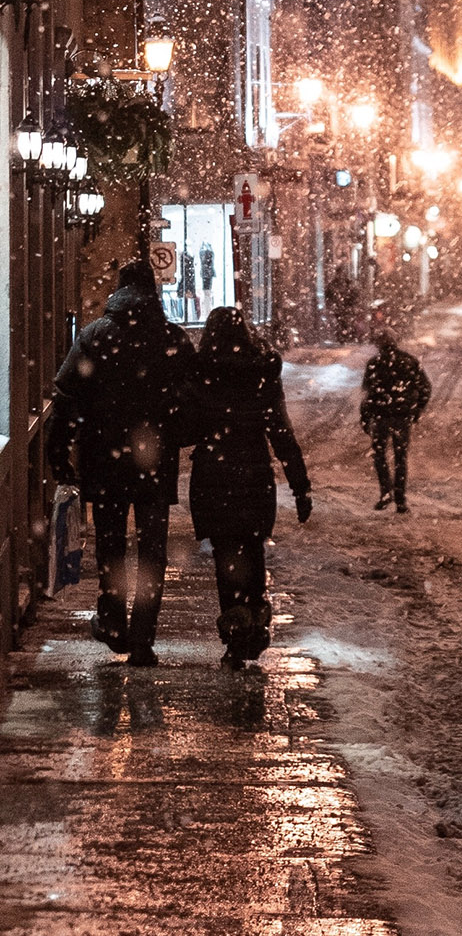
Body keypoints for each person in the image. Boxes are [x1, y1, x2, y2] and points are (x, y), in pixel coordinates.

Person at [48, 258, 199, 668]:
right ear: (153, 292)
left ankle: (114, 623)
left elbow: (66, 394)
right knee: (152, 551)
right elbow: (193, 399)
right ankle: (143, 639)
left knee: (111, 544)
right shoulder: (171, 338)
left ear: (118, 289)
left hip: (105, 459)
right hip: (154, 462)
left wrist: (59, 451)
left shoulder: (95, 336)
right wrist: (177, 436)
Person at [184, 307, 311, 668]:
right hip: (255, 476)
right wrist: (300, 486)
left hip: (214, 476)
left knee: (226, 555)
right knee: (253, 548)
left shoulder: (202, 373)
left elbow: (186, 427)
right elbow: (281, 433)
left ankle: (236, 631)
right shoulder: (262, 374)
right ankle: (255, 618)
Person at [359, 329, 431, 514]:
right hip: (401, 415)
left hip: (382, 415)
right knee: (400, 457)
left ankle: (386, 492)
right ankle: (400, 498)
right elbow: (425, 387)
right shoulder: (409, 361)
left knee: (380, 455)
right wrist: (416, 408)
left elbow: (369, 394)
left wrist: (366, 416)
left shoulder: (375, 364)